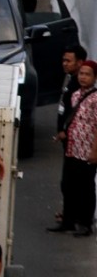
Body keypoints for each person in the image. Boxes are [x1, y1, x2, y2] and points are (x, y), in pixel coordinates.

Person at [47, 60, 97, 236]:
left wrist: (94, 151)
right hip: (71, 148)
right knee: (68, 185)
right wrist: (64, 133)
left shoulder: (95, 98)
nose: (83, 77)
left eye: (87, 74)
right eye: (81, 74)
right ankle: (68, 221)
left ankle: (85, 223)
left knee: (86, 188)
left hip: (87, 151)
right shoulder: (75, 95)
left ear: (95, 77)